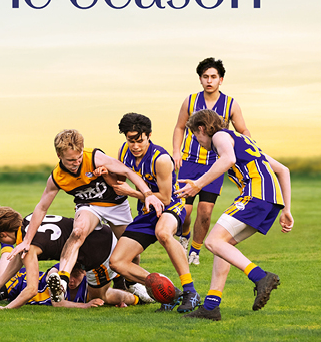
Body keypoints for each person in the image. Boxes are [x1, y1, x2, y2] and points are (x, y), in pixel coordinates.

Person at [9, 129, 163, 300]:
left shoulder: (95, 157)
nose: (76, 162)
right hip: (89, 206)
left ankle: (130, 284)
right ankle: (62, 281)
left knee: (132, 251)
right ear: (59, 155)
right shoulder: (57, 177)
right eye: (70, 160)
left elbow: (127, 172)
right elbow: (41, 208)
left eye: (79, 157)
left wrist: (148, 195)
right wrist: (27, 241)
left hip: (116, 205)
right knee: (78, 232)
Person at [179, 109, 293, 321]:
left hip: (256, 194)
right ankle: (211, 307)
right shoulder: (243, 141)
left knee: (212, 242)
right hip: (270, 199)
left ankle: (261, 277)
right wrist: (286, 209)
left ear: (202, 129)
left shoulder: (220, 136)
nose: (198, 141)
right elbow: (283, 170)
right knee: (223, 246)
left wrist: (198, 184)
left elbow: (228, 159)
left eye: (195, 135)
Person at [0, 206, 150, 309]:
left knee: (100, 296)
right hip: (103, 233)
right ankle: (127, 284)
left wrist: (5, 308)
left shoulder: (28, 248)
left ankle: (138, 297)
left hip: (99, 253)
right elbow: (18, 260)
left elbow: (31, 290)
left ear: (2, 235)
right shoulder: (30, 220)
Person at [108, 112, 200, 313]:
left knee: (163, 233)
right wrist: (103, 173)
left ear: (149, 135)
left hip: (171, 207)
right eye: (130, 140)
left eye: (139, 140)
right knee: (117, 262)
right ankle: (169, 292)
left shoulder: (161, 159)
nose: (135, 146)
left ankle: (191, 291)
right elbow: (118, 177)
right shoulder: (124, 151)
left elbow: (166, 198)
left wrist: (131, 192)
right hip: (146, 212)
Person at [171, 57, 250, 265]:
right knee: (184, 212)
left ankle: (195, 252)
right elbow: (179, 127)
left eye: (213, 77)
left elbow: (243, 131)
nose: (209, 80)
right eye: (205, 76)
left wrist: (250, 149)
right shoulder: (190, 101)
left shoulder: (231, 104)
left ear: (221, 80)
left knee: (205, 212)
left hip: (215, 164)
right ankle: (184, 236)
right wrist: (176, 151)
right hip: (189, 162)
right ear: (200, 79)